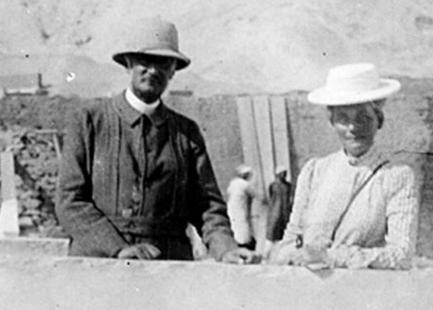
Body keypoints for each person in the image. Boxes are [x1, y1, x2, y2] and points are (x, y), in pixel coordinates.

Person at [56, 17, 257, 263]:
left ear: (173, 70)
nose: (153, 70)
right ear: (129, 63)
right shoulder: (89, 121)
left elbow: (207, 206)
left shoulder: (186, 132)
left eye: (163, 63)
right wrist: (118, 248)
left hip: (167, 269)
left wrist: (226, 249)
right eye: (145, 61)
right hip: (99, 264)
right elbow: (70, 202)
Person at [268, 63, 417, 270]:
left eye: (363, 118)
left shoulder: (396, 176)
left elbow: (401, 255)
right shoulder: (315, 171)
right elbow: (291, 240)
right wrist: (289, 255)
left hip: (360, 293)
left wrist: (334, 258)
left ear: (379, 121)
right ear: (332, 122)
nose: (353, 128)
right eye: (343, 119)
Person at [226, 165, 257, 250]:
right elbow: (254, 194)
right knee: (243, 229)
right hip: (241, 210)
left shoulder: (233, 183)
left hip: (233, 209)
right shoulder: (244, 184)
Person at [265, 166, 293, 243]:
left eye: (285, 173)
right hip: (276, 208)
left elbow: (290, 196)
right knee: (275, 224)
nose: (285, 175)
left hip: (285, 208)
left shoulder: (288, 185)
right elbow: (270, 196)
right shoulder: (273, 185)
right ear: (278, 174)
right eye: (283, 173)